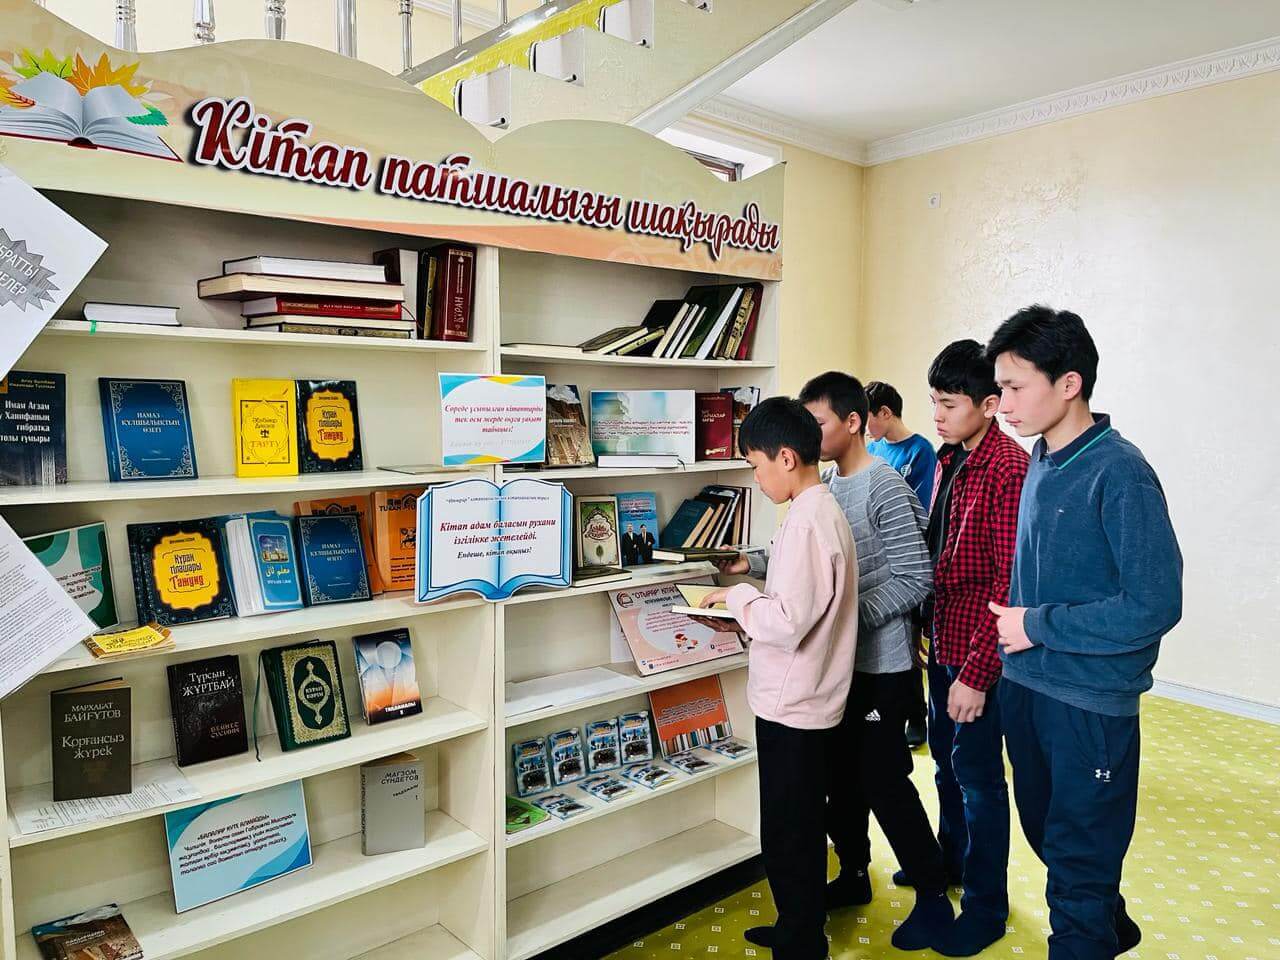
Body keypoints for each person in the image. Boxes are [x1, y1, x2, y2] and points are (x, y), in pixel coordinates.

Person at [986, 306, 1182, 960]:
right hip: (1026, 684)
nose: (1002, 404)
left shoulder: (1120, 472)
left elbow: (1154, 604)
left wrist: (1035, 624)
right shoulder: (1041, 457)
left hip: (1088, 703)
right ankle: (1108, 924)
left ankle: (1091, 928)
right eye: (1000, 388)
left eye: (1015, 387)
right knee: (1050, 838)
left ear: (1068, 384)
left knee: (1076, 867)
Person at [697, 396, 859, 960]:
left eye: (756, 465)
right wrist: (747, 598)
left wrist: (738, 598)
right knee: (796, 825)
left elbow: (787, 622)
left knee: (790, 831)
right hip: (806, 697)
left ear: (786, 458)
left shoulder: (810, 521)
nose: (756, 478)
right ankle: (797, 925)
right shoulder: (815, 511)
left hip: (795, 704)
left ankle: (802, 940)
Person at [797, 371, 953, 950]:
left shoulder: (884, 485)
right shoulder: (828, 485)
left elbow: (916, 578)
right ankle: (854, 874)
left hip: (885, 670)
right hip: (842, 669)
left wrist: (843, 616)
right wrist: (752, 566)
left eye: (817, 424)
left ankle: (933, 895)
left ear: (853, 421)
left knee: (884, 782)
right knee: (841, 780)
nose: (809, 435)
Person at [920, 339, 1028, 956]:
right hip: (944, 640)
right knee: (945, 764)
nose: (937, 414)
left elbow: (1007, 585)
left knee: (981, 780)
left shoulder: (1008, 469)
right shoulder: (951, 456)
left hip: (977, 652)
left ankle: (987, 906)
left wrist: (978, 673)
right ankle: (951, 863)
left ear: (989, 405)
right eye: (934, 400)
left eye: (950, 403)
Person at [866, 380, 935, 749]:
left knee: (908, 649)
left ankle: (917, 717)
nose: (864, 428)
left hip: (906, 562)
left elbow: (921, 512)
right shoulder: (872, 449)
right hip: (876, 563)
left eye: (868, 418)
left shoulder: (920, 451)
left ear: (885, 413)